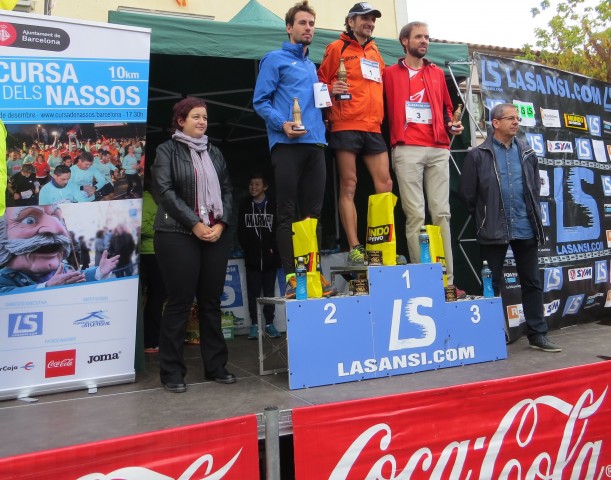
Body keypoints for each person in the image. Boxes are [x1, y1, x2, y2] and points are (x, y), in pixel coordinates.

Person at [458, 103, 561, 353]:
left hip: (525, 226)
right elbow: (467, 195)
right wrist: (485, 215)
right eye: (510, 118)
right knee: (492, 283)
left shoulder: (527, 153)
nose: (516, 122)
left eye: (517, 118)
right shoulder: (477, 155)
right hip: (493, 228)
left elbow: (534, 187)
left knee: (532, 282)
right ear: (495, 123)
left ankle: (538, 334)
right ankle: (491, 335)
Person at [253, 0, 336, 298]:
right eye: (302, 23)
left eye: (311, 23)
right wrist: (282, 124)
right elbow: (260, 101)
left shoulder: (312, 67)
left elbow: (319, 103)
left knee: (312, 215)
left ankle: (312, 274)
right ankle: (291, 278)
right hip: (287, 144)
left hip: (315, 143)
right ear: (289, 28)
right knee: (286, 213)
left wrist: (331, 96)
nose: (308, 28)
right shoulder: (274, 59)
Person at [152, 97, 235, 393]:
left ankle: (216, 367)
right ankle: (172, 372)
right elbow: (164, 191)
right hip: (177, 233)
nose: (202, 122)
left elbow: (227, 190)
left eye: (205, 118)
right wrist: (195, 224)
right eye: (196, 117)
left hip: (215, 233)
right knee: (180, 303)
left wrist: (221, 224)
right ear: (181, 121)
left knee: (211, 303)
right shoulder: (166, 150)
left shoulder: (215, 152)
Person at [383, 21, 464, 296]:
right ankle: (422, 279)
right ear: (404, 41)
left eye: (427, 37)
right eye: (419, 37)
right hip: (407, 148)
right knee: (415, 215)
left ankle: (448, 281)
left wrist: (452, 124)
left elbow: (447, 109)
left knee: (442, 214)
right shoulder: (390, 73)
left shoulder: (437, 73)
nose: (424, 41)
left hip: (438, 147)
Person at [317, 2, 392, 265]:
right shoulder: (336, 48)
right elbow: (320, 84)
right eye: (364, 19)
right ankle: (355, 246)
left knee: (386, 185)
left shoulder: (375, 51)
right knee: (349, 185)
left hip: (373, 127)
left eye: (372, 20)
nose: (369, 23)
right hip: (345, 123)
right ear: (351, 22)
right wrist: (330, 89)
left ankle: (382, 244)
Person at [0, 204, 119, 293]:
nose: (56, 228)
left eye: (57, 219)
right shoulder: (4, 279)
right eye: (29, 220)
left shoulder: (64, 268)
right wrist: (46, 287)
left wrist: (99, 271)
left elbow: (78, 276)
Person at [237, 173, 282, 339]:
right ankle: (255, 325)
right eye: (251, 184)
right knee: (253, 293)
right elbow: (240, 231)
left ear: (265, 187)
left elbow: (279, 229)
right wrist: (248, 248)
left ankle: (270, 324)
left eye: (257, 184)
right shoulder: (244, 205)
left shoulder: (274, 204)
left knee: (269, 293)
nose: (253, 187)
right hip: (252, 260)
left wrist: (274, 249)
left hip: (271, 260)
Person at [140, 185, 166, 354]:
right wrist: (162, 228)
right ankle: (149, 340)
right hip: (148, 253)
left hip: (160, 252)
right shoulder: (147, 198)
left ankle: (153, 339)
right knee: (156, 296)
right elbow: (140, 226)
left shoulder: (160, 197)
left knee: (159, 296)